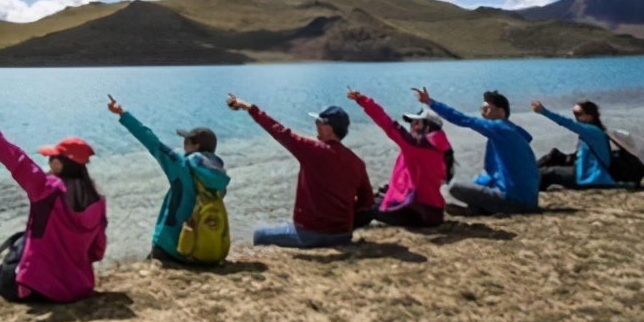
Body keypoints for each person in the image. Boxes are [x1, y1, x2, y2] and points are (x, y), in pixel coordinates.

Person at [0, 107, 107, 302]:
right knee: (23, 240)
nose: (48, 161)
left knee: (10, 257)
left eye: (51, 158)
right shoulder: (96, 200)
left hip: (39, 288)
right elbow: (98, 250)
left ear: (59, 164)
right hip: (79, 286)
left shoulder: (45, 188)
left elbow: (14, 158)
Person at [226, 92, 373, 248]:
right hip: (343, 235)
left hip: (311, 235)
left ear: (329, 129)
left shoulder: (312, 150)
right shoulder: (357, 163)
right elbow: (367, 201)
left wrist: (250, 108)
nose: (315, 123)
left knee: (259, 233)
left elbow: (279, 131)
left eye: (319, 121)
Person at [107, 94, 230, 263]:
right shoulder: (219, 176)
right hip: (203, 249)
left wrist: (124, 115)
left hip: (172, 248)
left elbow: (152, 141)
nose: (183, 144)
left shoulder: (181, 166)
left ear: (196, 146)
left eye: (186, 140)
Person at [411, 87, 539, 215]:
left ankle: (479, 209)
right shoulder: (514, 132)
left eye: (487, 109)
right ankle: (479, 208)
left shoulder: (499, 128)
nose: (483, 113)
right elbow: (496, 173)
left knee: (454, 187)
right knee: (479, 181)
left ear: (501, 113)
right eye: (482, 109)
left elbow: (463, 119)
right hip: (530, 200)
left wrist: (431, 102)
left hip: (516, 202)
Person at [346, 88, 449, 228]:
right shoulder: (440, 149)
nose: (412, 126)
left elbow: (388, 124)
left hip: (420, 215)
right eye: (412, 122)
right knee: (376, 197)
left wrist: (364, 101)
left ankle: (338, 230)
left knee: (367, 205)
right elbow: (417, 179)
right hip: (434, 212)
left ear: (428, 127)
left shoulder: (415, 146)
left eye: (417, 123)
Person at [531, 99, 617, 190]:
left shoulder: (592, 131)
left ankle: (528, 192)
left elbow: (568, 123)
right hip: (587, 173)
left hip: (590, 178)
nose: (576, 117)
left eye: (579, 114)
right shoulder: (594, 131)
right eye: (574, 114)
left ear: (590, 115)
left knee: (546, 173)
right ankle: (528, 171)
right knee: (555, 156)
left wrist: (544, 111)